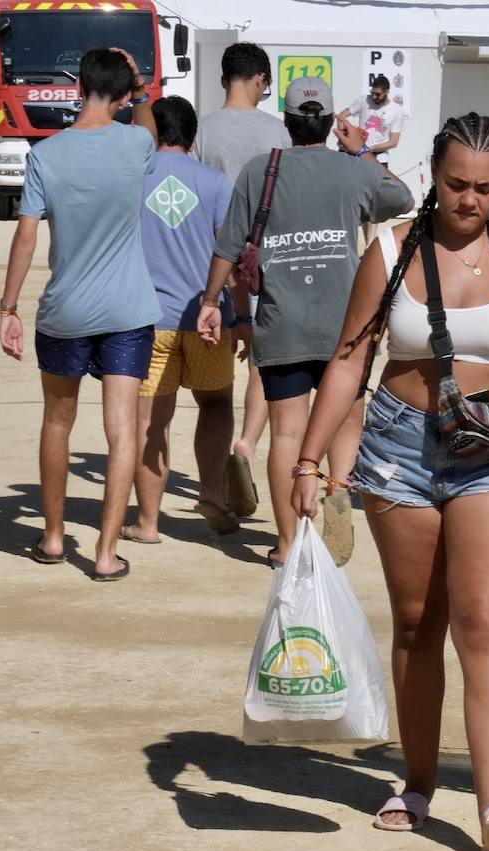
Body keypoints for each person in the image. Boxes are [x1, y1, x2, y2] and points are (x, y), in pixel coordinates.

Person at [289, 112, 489, 851]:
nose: (469, 200)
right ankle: (419, 782)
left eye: (486, 188)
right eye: (456, 184)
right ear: (432, 175)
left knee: (483, 622)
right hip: (400, 447)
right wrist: (309, 462)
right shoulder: (390, 249)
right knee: (414, 623)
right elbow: (349, 359)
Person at [198, 77, 415, 567]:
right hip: (346, 327)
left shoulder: (261, 170)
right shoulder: (351, 171)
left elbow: (229, 245)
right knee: (345, 423)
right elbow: (402, 199)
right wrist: (361, 151)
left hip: (283, 322)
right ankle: (338, 491)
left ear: (289, 123)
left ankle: (289, 543)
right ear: (330, 122)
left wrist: (211, 301)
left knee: (288, 434)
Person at [0, 48, 159, 581]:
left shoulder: (47, 154)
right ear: (123, 94)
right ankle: (107, 554)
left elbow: (26, 232)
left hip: (64, 309)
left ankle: (51, 535)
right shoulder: (136, 142)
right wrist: (139, 88)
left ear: (76, 87)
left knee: (57, 421)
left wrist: (9, 306)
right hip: (127, 309)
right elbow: (150, 127)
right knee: (122, 429)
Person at [125, 96, 241, 546]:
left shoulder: (134, 178)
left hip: (147, 320)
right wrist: (240, 313)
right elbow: (229, 251)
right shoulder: (214, 183)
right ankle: (213, 491)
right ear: (193, 137)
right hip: (206, 317)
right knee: (215, 404)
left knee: (153, 421)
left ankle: (148, 523)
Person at [192, 41, 293, 521]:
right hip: (267, 263)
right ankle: (248, 444)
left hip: (213, 264)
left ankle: (212, 485)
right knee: (261, 363)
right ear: (261, 81)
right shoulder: (279, 131)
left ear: (223, 79)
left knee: (214, 389)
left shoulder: (202, 131)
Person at [338, 74, 405, 166]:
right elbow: (341, 116)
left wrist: (371, 149)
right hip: (358, 158)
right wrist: (343, 137)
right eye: (372, 93)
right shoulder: (364, 100)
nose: (374, 97)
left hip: (379, 160)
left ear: (387, 92)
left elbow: (393, 142)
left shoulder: (397, 110)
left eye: (377, 94)